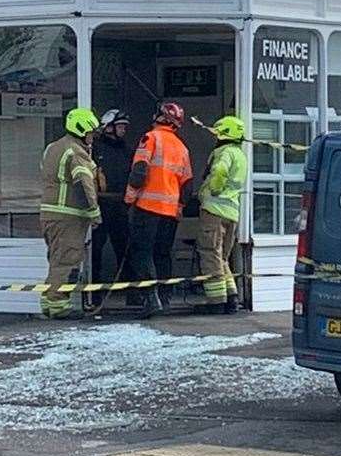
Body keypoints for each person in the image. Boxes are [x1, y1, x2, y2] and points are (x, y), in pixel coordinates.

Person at [125, 102, 192, 318]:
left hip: (147, 207)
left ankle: (150, 299)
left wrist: (129, 198)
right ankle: (164, 298)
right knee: (162, 254)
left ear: (160, 118)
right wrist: (180, 207)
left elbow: (139, 170)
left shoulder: (151, 138)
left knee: (141, 253)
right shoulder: (182, 148)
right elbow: (187, 184)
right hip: (170, 212)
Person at [39, 108, 103, 319]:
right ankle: (58, 306)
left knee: (56, 260)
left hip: (49, 215)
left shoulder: (52, 148)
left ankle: (49, 302)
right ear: (81, 130)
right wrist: (94, 212)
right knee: (67, 260)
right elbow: (84, 184)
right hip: (68, 216)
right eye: (91, 132)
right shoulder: (75, 151)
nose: (92, 137)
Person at [197, 115, 248, 314]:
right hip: (231, 212)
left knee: (210, 253)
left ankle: (216, 301)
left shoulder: (224, 152)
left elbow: (219, 171)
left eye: (218, 133)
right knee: (222, 257)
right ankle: (231, 297)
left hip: (214, 211)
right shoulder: (241, 155)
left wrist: (214, 189)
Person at [91, 109, 133, 283]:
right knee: (95, 250)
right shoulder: (95, 148)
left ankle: (130, 293)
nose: (123, 129)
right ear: (108, 127)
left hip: (120, 205)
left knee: (125, 250)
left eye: (124, 126)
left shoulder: (126, 149)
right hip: (101, 204)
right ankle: (94, 292)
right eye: (120, 126)